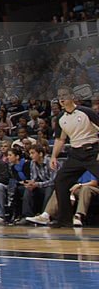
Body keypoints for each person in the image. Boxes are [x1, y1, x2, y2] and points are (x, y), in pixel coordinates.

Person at [48, 87, 99, 227]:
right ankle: (64, 219)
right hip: (76, 154)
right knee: (60, 181)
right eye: (60, 97)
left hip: (93, 150)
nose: (62, 99)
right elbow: (60, 140)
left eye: (64, 95)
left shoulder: (86, 112)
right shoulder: (60, 118)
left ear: (72, 97)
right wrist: (53, 156)